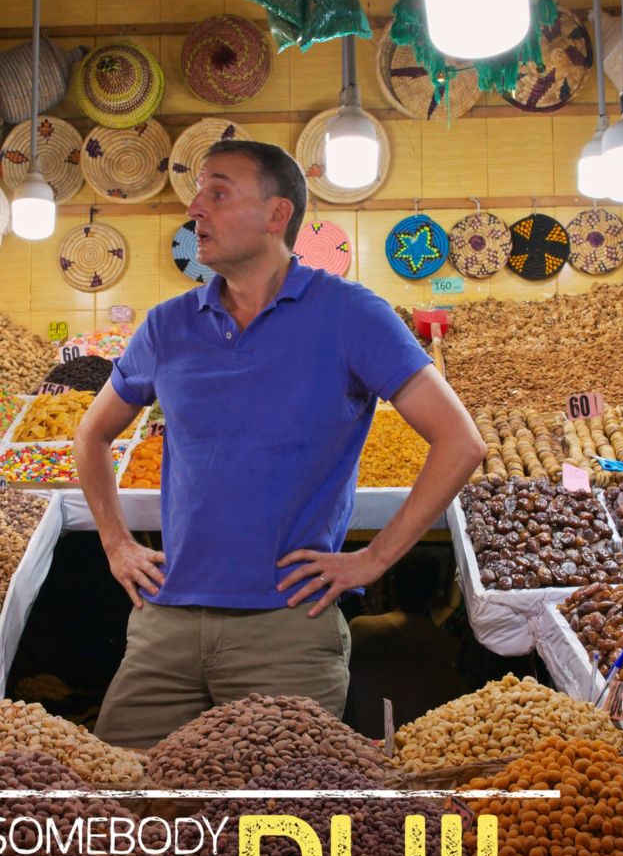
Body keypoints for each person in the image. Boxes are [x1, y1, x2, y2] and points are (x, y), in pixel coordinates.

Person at [74, 139, 486, 748]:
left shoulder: (350, 314)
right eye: (199, 192)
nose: (195, 207)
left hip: (287, 629)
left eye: (218, 193)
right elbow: (91, 434)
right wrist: (115, 542)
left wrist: (373, 560)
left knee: (278, 801)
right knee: (125, 791)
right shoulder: (167, 325)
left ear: (277, 214)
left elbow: (460, 441)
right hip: (165, 622)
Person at [343, 550, 467, 739]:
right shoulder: (446, 645)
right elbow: (449, 604)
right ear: (435, 592)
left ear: (392, 586)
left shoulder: (362, 629)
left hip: (361, 741)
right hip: (425, 743)